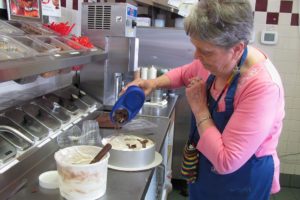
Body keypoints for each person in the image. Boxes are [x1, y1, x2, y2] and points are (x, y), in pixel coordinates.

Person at [122, 0, 284, 199]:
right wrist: (153, 83)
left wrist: (199, 108)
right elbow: (185, 73)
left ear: (237, 49)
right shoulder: (218, 62)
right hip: (206, 170)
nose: (197, 56)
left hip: (241, 181)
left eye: (205, 52)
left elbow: (226, 160)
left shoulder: (262, 86)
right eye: (196, 47)